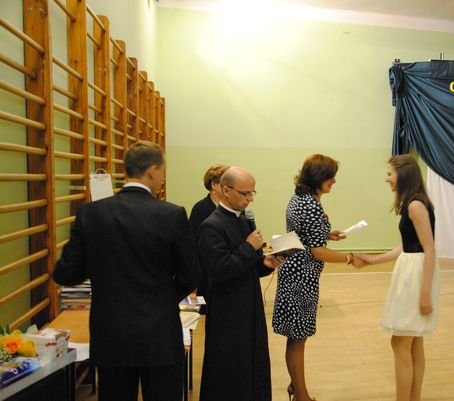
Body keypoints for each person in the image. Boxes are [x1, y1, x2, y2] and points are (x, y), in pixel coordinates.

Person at [53, 140, 201, 401]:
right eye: (163, 171)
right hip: (159, 333)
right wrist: (164, 297)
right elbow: (191, 274)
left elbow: (66, 274)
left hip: (111, 332)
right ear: (152, 170)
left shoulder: (91, 214)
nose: (162, 178)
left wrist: (100, 267)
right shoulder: (172, 214)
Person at [353, 154, 440, 401]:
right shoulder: (414, 204)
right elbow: (408, 246)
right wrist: (372, 260)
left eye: (390, 174)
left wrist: (425, 293)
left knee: (400, 343)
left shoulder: (415, 206)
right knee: (413, 342)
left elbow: (429, 249)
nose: (387, 179)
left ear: (403, 175)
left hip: (416, 276)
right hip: (413, 270)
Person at [272, 154, 354, 401]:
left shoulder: (300, 198)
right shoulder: (311, 205)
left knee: (297, 336)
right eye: (331, 177)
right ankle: (302, 395)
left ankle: (295, 385)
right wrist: (350, 258)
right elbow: (317, 252)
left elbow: (304, 234)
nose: (334, 181)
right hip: (301, 277)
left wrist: (327, 233)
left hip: (294, 271)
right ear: (319, 177)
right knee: (298, 338)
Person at [197, 166, 283, 401]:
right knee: (229, 367)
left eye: (252, 192)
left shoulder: (243, 220)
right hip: (227, 311)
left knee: (253, 362)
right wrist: (248, 247)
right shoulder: (211, 226)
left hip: (249, 305)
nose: (250, 198)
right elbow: (220, 270)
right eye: (245, 193)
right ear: (226, 191)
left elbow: (246, 266)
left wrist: (264, 263)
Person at [189, 163, 229, 307]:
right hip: (207, 271)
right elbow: (192, 243)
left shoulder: (234, 207)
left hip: (229, 268)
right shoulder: (200, 209)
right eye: (227, 184)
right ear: (214, 185)